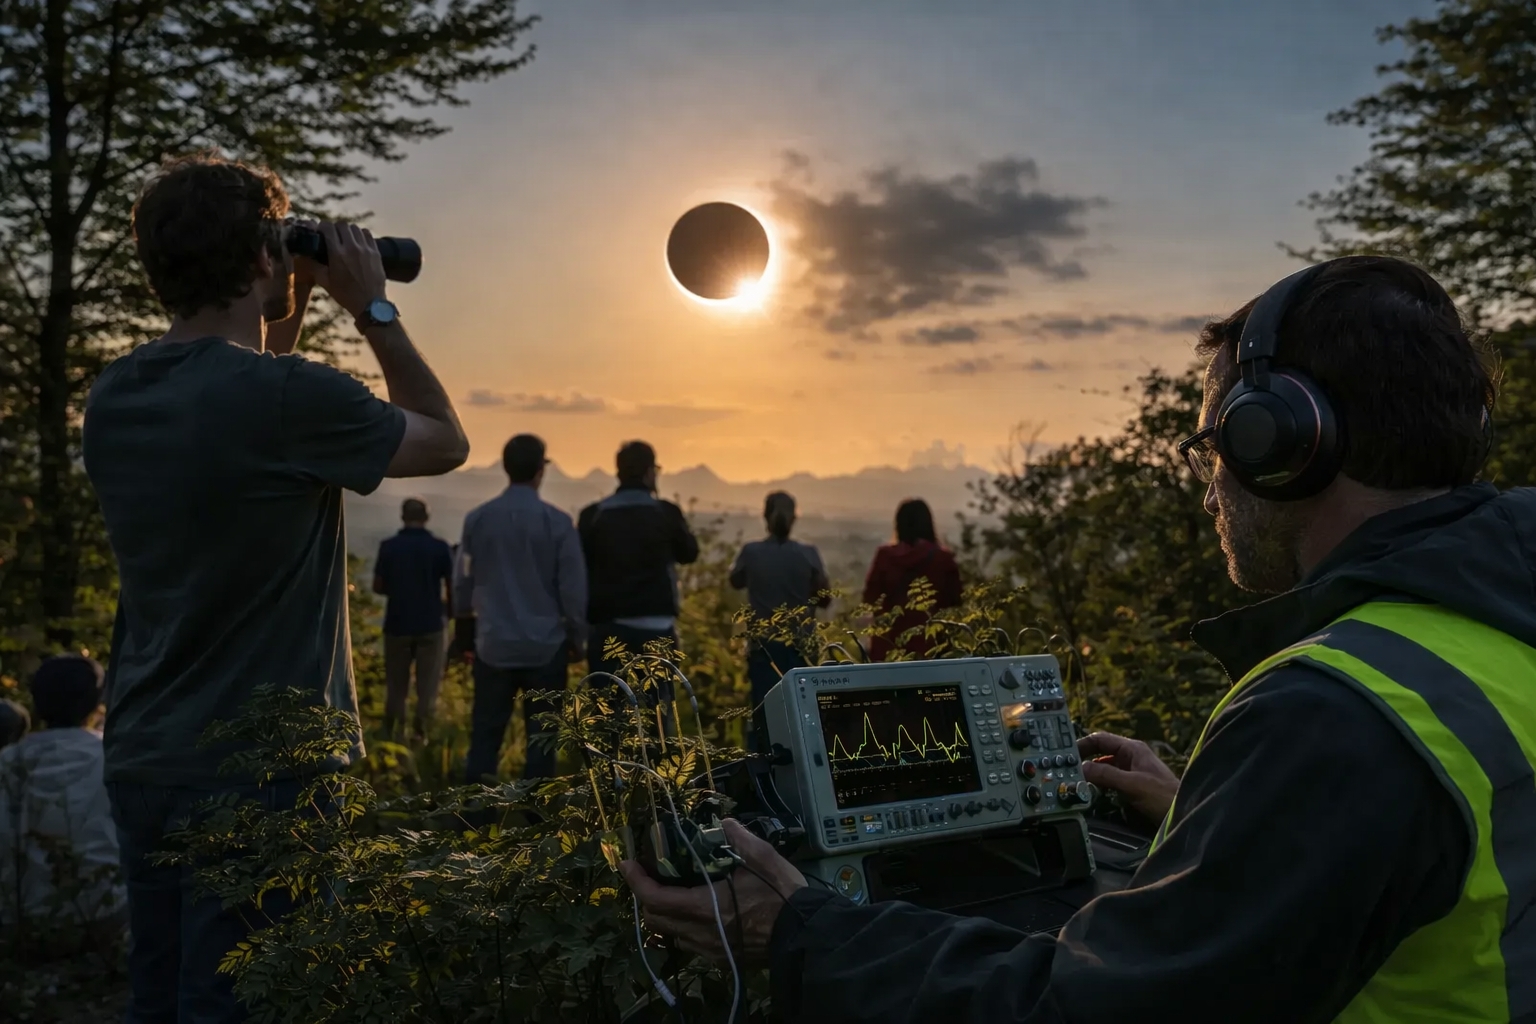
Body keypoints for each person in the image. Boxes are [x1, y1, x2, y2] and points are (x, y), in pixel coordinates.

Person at [623, 256, 1536, 1024]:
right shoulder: (1490, 626)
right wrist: (1224, 815)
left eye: (1214, 443)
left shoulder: (1336, 713)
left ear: (1281, 442)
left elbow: (1083, 1008)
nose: (1212, 485)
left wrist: (796, 930)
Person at [82, 153, 467, 1021]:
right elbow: (443, 440)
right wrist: (371, 305)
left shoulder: (115, 396)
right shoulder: (287, 400)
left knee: (162, 996)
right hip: (265, 772)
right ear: (264, 255)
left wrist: (276, 307)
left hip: (146, 754)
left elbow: (252, 417)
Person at [457, 435, 588, 782]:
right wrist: (577, 635)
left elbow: (463, 582)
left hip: (493, 644)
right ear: (539, 470)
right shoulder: (557, 523)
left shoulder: (478, 519)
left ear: (505, 467)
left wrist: (464, 631)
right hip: (545, 646)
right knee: (541, 743)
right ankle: (537, 821)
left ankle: (476, 818)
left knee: (485, 737)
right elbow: (573, 589)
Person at [0, 656, 126, 931]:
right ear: (96, 703)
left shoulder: (8, 762)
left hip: (23, 915)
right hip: (107, 910)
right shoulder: (113, 756)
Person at [579, 441, 699, 715]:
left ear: (619, 472)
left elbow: (580, 568)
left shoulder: (594, 516)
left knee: (609, 717)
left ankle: (613, 758)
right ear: (649, 473)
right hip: (657, 628)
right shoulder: (665, 513)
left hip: (608, 630)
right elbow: (689, 553)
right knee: (657, 716)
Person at [729, 492, 830, 740]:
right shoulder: (809, 555)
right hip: (801, 647)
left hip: (763, 648)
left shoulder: (751, 553)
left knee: (764, 718)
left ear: (765, 516)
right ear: (794, 518)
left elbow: (735, 580)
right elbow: (825, 598)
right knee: (802, 718)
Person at [372, 497, 453, 741]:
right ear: (426, 518)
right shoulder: (440, 547)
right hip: (430, 623)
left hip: (397, 623)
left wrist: (398, 591)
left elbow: (378, 586)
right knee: (428, 685)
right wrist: (449, 614)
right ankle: (422, 733)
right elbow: (451, 587)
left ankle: (394, 733)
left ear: (403, 517)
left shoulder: (389, 547)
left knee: (396, 685)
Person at [861, 498, 962, 660]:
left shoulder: (884, 557)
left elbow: (869, 599)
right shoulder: (943, 559)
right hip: (931, 648)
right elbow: (955, 603)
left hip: (888, 649)